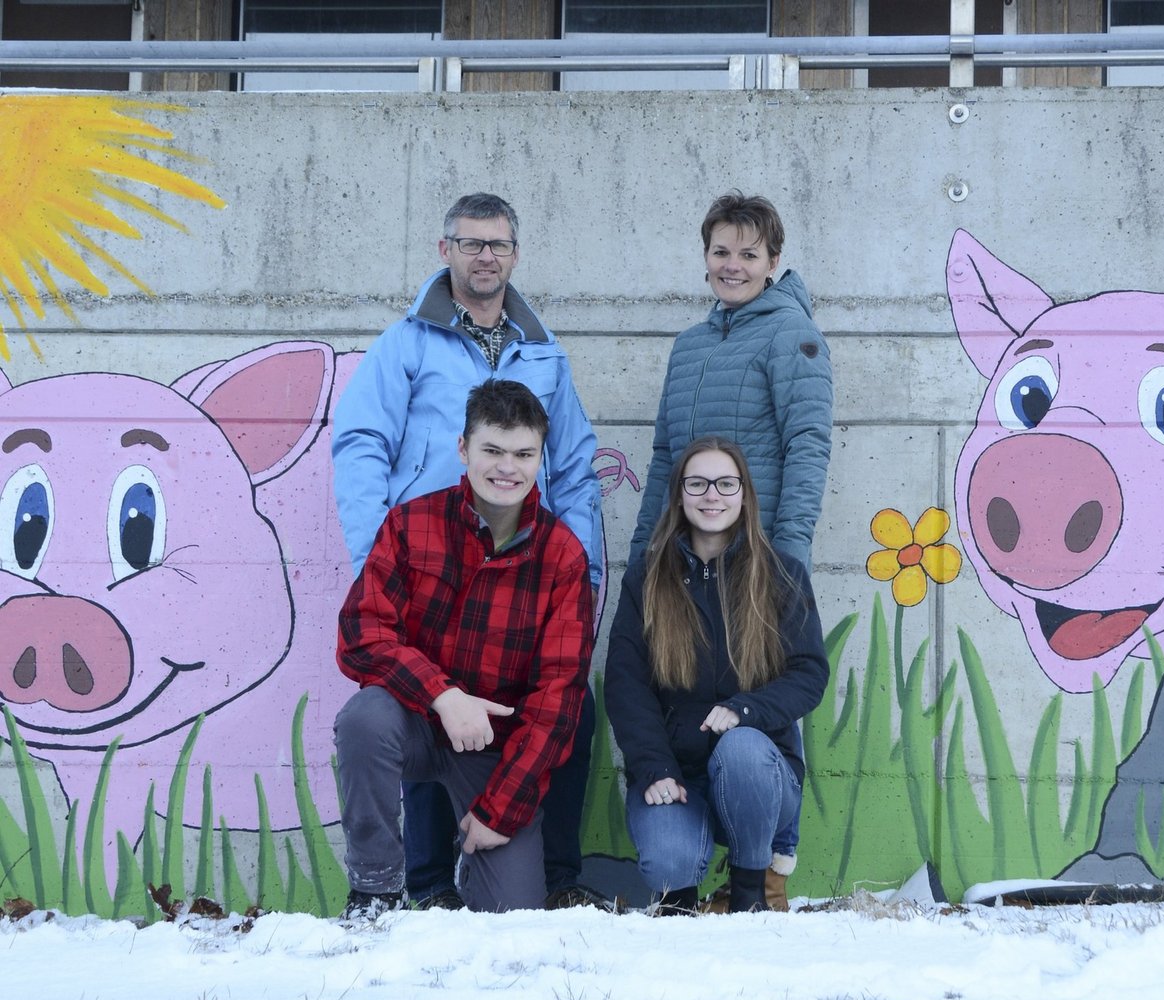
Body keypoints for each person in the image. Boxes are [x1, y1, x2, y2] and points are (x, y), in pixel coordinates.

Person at [332, 193, 605, 911]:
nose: (486, 255)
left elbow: (573, 463)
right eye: (471, 242)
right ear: (444, 247)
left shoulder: (543, 350)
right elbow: (361, 442)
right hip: (428, 562)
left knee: (563, 707)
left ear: (515, 253)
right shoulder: (407, 343)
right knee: (397, 713)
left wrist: (580, 562)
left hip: (519, 568)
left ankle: (541, 869)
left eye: (498, 244)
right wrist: (376, 552)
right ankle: (407, 886)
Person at [627, 191, 833, 907]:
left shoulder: (793, 336)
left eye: (749, 253)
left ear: (774, 261)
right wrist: (641, 556)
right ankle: (691, 850)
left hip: (759, 562)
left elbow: (807, 444)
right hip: (685, 559)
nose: (733, 264)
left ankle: (772, 867)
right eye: (721, 251)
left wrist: (789, 554)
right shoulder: (689, 346)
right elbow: (662, 460)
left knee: (762, 708)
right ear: (705, 257)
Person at [335, 380, 592, 918]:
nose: (507, 468)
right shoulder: (410, 525)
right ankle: (376, 891)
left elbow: (558, 702)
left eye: (523, 454)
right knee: (364, 717)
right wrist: (443, 695)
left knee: (512, 918)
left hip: (499, 751)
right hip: (419, 726)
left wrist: (500, 811)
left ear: (540, 457)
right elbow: (362, 634)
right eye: (492, 450)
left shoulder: (562, 556)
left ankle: (472, 865)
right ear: (463, 450)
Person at [606, 437, 828, 914]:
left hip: (760, 777)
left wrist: (745, 709)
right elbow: (626, 685)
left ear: (744, 494)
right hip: (677, 772)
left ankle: (749, 893)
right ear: (680, 496)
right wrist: (653, 767)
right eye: (698, 483)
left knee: (742, 746)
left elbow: (809, 673)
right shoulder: (647, 578)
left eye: (726, 483)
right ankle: (680, 901)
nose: (713, 495)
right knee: (668, 861)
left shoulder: (780, 574)